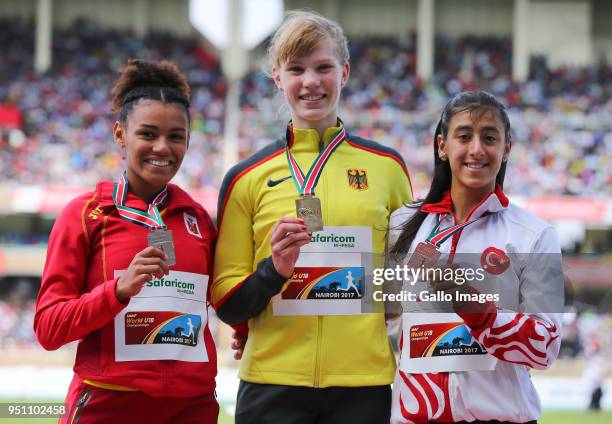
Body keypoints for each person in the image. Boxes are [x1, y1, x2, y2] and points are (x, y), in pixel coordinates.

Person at [212, 10, 412, 424]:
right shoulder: (245, 178)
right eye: (296, 69)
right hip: (271, 386)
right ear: (277, 77)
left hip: (363, 387)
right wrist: (273, 272)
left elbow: (399, 290)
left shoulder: (388, 169)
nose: (311, 81)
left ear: (345, 73)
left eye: (324, 67)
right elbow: (227, 304)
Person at [34, 59, 218, 423]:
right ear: (120, 134)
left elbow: (224, 297)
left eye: (176, 136)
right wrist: (117, 292)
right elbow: (48, 329)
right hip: (108, 406)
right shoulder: (84, 215)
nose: (162, 148)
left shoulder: (198, 219)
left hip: (192, 407)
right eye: (148, 134)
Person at [388, 91, 564, 423]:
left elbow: (546, 348)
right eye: (464, 136)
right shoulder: (403, 224)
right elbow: (385, 321)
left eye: (489, 137)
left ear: (507, 148)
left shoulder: (534, 234)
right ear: (442, 145)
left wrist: (477, 309)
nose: (476, 149)